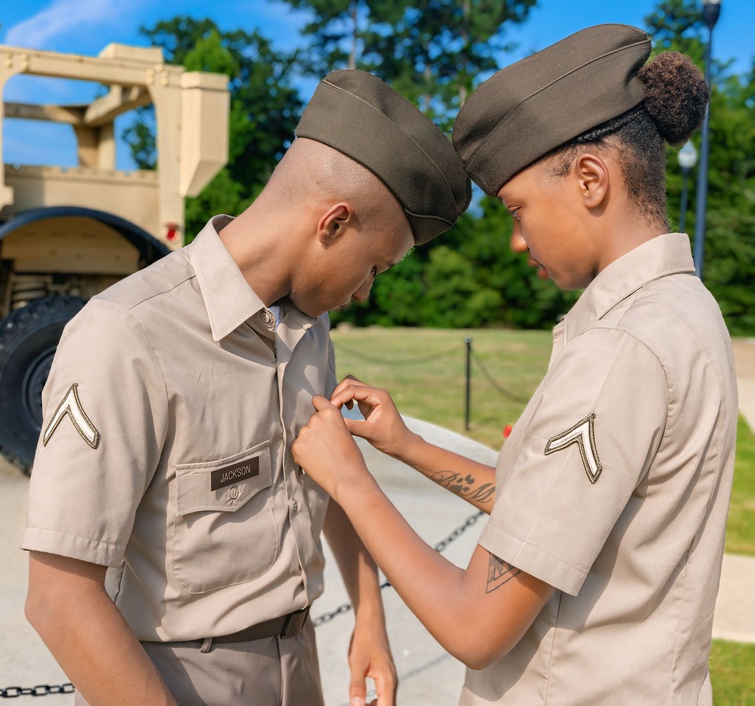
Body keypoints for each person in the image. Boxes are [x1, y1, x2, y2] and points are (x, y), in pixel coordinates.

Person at [293, 24, 737, 706]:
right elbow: (552, 513)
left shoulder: (621, 350)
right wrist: (406, 447)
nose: (515, 239)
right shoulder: (683, 309)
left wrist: (351, 482)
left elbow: (475, 626)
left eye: (517, 208)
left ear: (589, 179)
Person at [21, 69, 471, 706]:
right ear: (333, 223)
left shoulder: (309, 331)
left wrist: (369, 614)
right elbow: (60, 596)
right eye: (374, 266)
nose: (367, 289)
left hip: (299, 657)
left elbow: (329, 475)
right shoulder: (127, 334)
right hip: (175, 678)